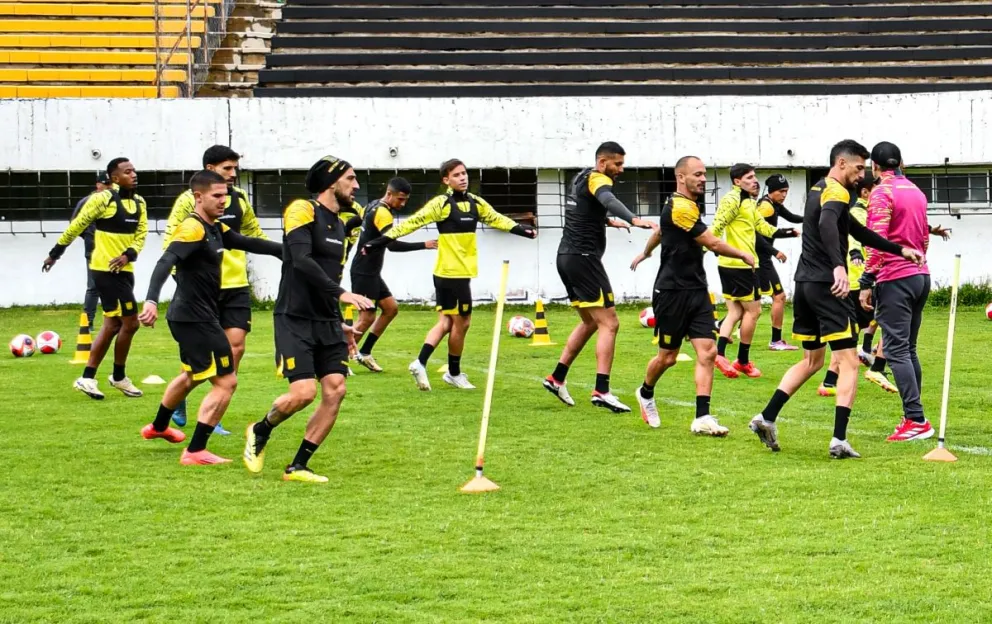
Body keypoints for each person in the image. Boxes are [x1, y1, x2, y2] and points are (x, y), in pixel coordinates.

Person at [748, 139, 924, 459]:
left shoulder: (818, 189)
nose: (861, 174)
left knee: (812, 361)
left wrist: (899, 250)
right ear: (841, 163)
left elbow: (857, 230)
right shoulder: (837, 191)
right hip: (828, 288)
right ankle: (839, 440)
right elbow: (828, 223)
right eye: (857, 168)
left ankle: (766, 417)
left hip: (805, 284)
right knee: (849, 362)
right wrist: (838, 266)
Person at [137, 170, 282, 465]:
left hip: (192, 316)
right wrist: (151, 299)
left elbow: (247, 242)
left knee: (192, 375)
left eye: (225, 195)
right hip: (195, 318)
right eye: (216, 196)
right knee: (226, 382)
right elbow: (166, 261)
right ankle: (195, 451)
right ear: (198, 197)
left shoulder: (215, 227)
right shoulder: (193, 228)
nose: (223, 201)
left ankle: (159, 426)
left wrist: (289, 251)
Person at [243, 156, 373, 483]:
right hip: (295, 317)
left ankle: (298, 465)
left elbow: (330, 273)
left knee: (336, 390)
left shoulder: (341, 225)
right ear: (331, 181)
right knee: (303, 393)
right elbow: (301, 261)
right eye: (350, 178)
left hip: (326, 321)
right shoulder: (302, 210)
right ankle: (261, 429)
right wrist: (342, 294)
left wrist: (339, 322)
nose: (356, 185)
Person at [363, 159, 537, 391]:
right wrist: (378, 242)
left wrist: (522, 230)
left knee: (446, 322)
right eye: (456, 175)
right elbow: (411, 223)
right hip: (453, 274)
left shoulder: (476, 202)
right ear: (446, 180)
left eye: (464, 173)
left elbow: (496, 218)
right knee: (463, 323)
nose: (462, 178)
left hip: (452, 273)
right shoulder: (441, 203)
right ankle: (453, 373)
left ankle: (420, 362)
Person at [629, 156, 755, 434]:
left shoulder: (686, 205)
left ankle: (702, 417)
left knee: (708, 351)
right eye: (697, 174)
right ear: (680, 177)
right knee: (668, 357)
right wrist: (743, 254)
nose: (703, 179)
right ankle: (646, 392)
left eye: (704, 174)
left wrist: (646, 252)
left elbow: (660, 232)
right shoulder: (680, 206)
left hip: (697, 289)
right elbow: (712, 242)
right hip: (672, 292)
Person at [544, 141, 658, 412]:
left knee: (590, 322)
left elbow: (584, 208)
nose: (621, 169)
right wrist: (633, 218)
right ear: (602, 162)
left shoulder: (581, 177)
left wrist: (607, 221)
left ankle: (557, 378)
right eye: (617, 164)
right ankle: (602, 390)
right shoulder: (598, 178)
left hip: (567, 258)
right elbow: (608, 199)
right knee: (610, 323)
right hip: (584, 259)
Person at [163, 145, 268, 433]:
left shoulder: (240, 198)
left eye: (235, 168)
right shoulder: (189, 201)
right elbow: (171, 242)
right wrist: (182, 280)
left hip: (236, 285)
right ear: (210, 169)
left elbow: (253, 233)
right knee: (202, 354)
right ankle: (184, 390)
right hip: (203, 291)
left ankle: (215, 411)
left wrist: (286, 252)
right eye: (227, 168)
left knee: (236, 347)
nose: (234, 174)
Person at [43, 157, 147, 400]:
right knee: (131, 323)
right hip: (105, 270)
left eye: (134, 170)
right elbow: (77, 225)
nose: (133, 175)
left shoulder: (140, 202)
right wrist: (55, 253)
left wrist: (128, 254)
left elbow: (141, 233)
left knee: (112, 324)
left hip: (125, 269)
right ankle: (118, 376)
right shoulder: (103, 199)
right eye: (127, 172)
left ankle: (87, 378)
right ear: (114, 178)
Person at [860, 141, 939, 442]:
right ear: (901, 163)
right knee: (909, 349)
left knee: (895, 350)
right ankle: (913, 417)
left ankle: (916, 419)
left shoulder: (882, 192)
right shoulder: (916, 191)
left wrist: (867, 280)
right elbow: (924, 237)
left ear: (875, 167)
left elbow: (875, 238)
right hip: (920, 274)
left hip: (895, 277)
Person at [711, 164, 798, 379]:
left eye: (754, 177)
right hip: (741, 265)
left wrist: (788, 232)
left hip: (731, 264)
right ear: (737, 181)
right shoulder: (733, 200)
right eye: (749, 177)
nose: (754, 181)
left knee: (735, 312)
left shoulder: (748, 201)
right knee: (754, 311)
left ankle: (720, 354)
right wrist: (710, 246)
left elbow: (762, 227)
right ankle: (742, 361)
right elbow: (717, 225)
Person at [350, 177, 438, 373]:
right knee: (366, 318)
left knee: (390, 309)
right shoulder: (383, 213)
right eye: (400, 199)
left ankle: (364, 352)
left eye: (406, 200)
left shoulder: (372, 205)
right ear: (389, 194)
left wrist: (347, 238)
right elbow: (392, 245)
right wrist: (424, 245)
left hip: (370, 272)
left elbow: (352, 222)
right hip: (364, 272)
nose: (403, 204)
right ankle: (337, 360)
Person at [817, 174, 878, 396]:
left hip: (865, 280)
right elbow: (854, 237)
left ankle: (866, 354)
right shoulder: (858, 212)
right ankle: (872, 363)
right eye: (876, 190)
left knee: (864, 327)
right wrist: (854, 253)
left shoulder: (872, 212)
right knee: (851, 335)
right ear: (865, 192)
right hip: (858, 282)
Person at [755, 174, 804, 351]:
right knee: (779, 297)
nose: (784, 195)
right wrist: (774, 251)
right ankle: (776, 341)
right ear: (772, 191)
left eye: (786, 191)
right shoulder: (765, 208)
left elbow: (792, 217)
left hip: (762, 258)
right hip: (761, 259)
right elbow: (755, 236)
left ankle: (720, 326)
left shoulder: (773, 204)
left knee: (748, 303)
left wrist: (812, 217)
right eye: (781, 191)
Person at [72, 171, 112, 330]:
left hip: (113, 250)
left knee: (115, 286)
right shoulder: (86, 202)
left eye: (110, 184)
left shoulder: (115, 200)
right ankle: (88, 322)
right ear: (98, 184)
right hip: (94, 251)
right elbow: (74, 224)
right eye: (105, 184)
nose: (108, 187)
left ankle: (115, 320)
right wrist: (89, 236)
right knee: (93, 287)